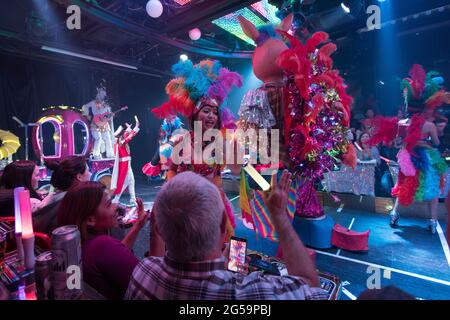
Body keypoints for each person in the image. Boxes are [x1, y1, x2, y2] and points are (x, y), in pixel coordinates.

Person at [125, 171, 327, 300]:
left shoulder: (142, 271)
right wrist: (280, 218)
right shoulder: (252, 293)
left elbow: (157, 259)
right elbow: (310, 287)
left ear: (159, 228)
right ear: (224, 226)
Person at [151, 58, 242, 240]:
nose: (211, 116)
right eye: (206, 111)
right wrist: (172, 192)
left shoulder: (222, 143)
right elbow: (172, 170)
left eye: (215, 112)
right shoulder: (182, 142)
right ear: (195, 114)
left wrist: (234, 143)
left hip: (212, 207)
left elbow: (236, 169)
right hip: (186, 207)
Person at [57, 181, 148, 300]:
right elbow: (152, 285)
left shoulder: (81, 247)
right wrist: (157, 229)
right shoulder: (102, 246)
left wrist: (137, 226)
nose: (116, 207)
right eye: (109, 204)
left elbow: (115, 258)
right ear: (90, 220)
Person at [32, 156, 91, 234]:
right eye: (88, 171)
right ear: (79, 177)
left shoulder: (52, 198)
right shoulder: (74, 201)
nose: (90, 174)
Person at [111, 117, 139, 206]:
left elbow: (127, 134)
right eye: (122, 133)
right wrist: (136, 126)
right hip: (125, 164)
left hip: (126, 163)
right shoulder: (120, 142)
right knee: (126, 181)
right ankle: (117, 198)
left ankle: (132, 199)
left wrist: (130, 128)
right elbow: (129, 137)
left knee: (131, 180)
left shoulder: (120, 141)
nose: (124, 133)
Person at [82, 85, 115, 159]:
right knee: (98, 138)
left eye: (104, 94)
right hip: (96, 122)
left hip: (103, 122)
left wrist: (110, 115)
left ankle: (110, 154)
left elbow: (109, 115)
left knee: (107, 138)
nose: (104, 95)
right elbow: (84, 106)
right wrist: (86, 114)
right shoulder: (93, 103)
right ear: (99, 93)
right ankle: (96, 154)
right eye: (102, 93)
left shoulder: (106, 105)